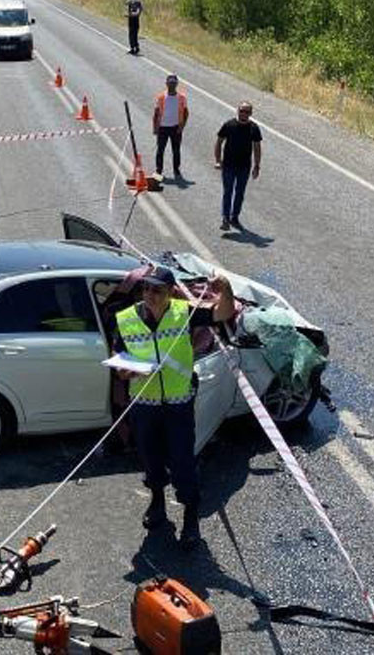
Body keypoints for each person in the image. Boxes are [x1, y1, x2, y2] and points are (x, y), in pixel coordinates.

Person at [111, 265, 235, 548]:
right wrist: (124, 371)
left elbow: (224, 313)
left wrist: (225, 289)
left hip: (178, 404)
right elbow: (118, 356)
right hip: (144, 403)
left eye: (157, 290)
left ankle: (191, 520)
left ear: (170, 292)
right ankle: (157, 505)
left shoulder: (184, 312)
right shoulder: (126, 319)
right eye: (146, 289)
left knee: (183, 461)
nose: (150, 295)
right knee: (150, 458)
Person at [213, 101, 262, 231]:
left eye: (247, 112)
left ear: (250, 114)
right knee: (228, 191)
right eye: (242, 110)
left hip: (244, 167)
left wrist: (257, 166)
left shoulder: (254, 128)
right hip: (228, 165)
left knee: (240, 193)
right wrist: (218, 160)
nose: (244, 114)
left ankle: (235, 216)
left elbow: (257, 147)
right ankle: (225, 218)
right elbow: (219, 142)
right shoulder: (229, 125)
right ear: (237, 111)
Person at [152, 73, 189, 180]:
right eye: (170, 83)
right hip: (162, 128)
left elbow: (186, 112)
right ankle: (159, 170)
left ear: (176, 84)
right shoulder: (161, 97)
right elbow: (156, 112)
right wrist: (155, 128)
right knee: (160, 150)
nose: (172, 85)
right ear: (166, 84)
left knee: (176, 150)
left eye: (174, 83)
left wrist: (182, 126)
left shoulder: (182, 97)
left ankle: (176, 169)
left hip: (176, 128)